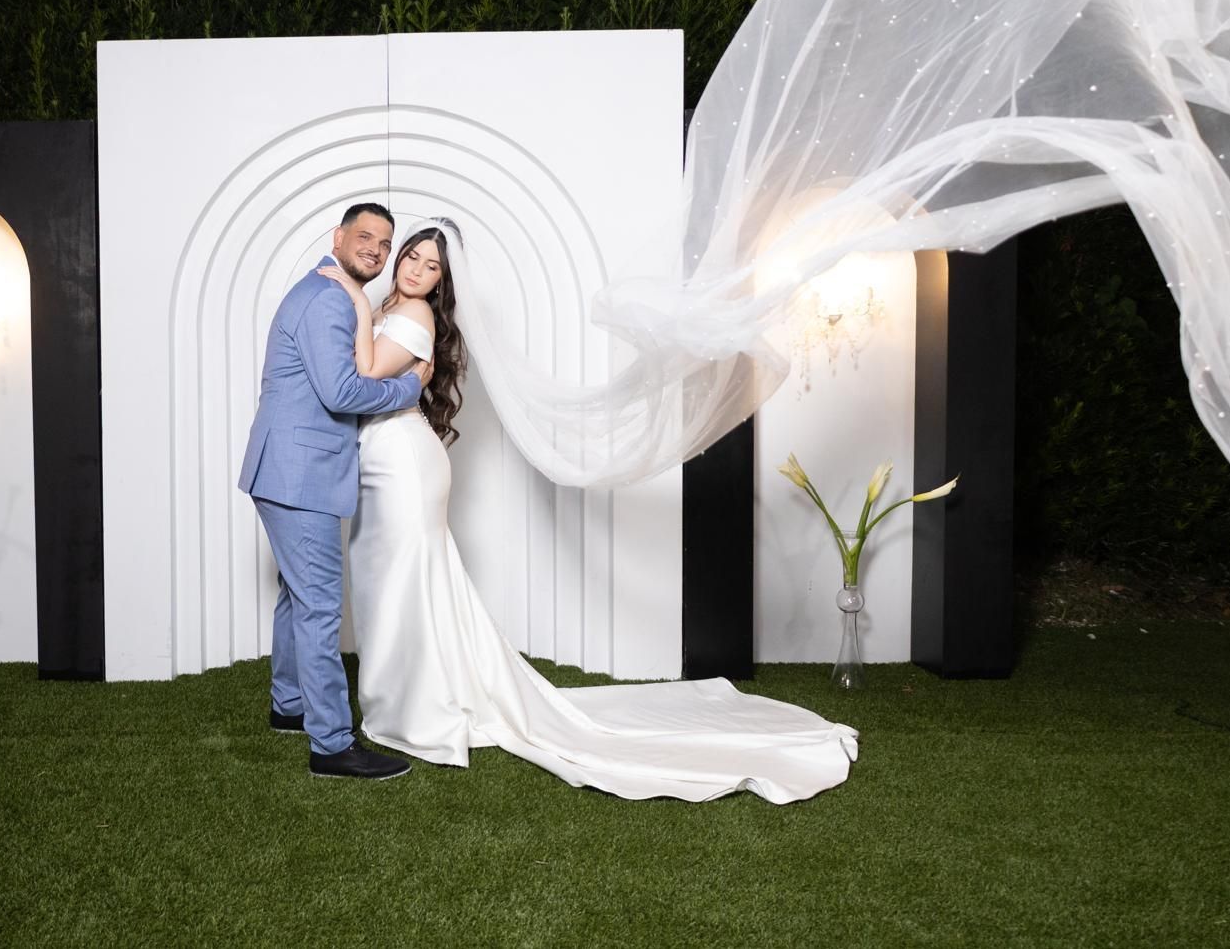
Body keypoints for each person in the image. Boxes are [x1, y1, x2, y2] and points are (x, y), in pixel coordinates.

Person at [318, 217, 859, 803]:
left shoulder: (415, 315)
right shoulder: (392, 308)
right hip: (384, 460)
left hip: (403, 462)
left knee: (402, 581)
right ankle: (402, 694)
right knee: (387, 580)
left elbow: (367, 371)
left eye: (432, 265)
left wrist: (349, 294)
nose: (416, 270)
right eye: (412, 258)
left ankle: (411, 708)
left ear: (444, 280)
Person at [238, 202, 432, 780]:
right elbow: (342, 392)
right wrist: (407, 388)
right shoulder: (327, 298)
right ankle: (331, 745)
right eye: (365, 236)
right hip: (301, 475)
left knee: (297, 595)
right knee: (320, 605)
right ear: (338, 237)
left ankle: (289, 705)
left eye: (384, 241)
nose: (375, 248)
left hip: (285, 469)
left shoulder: (331, 292)